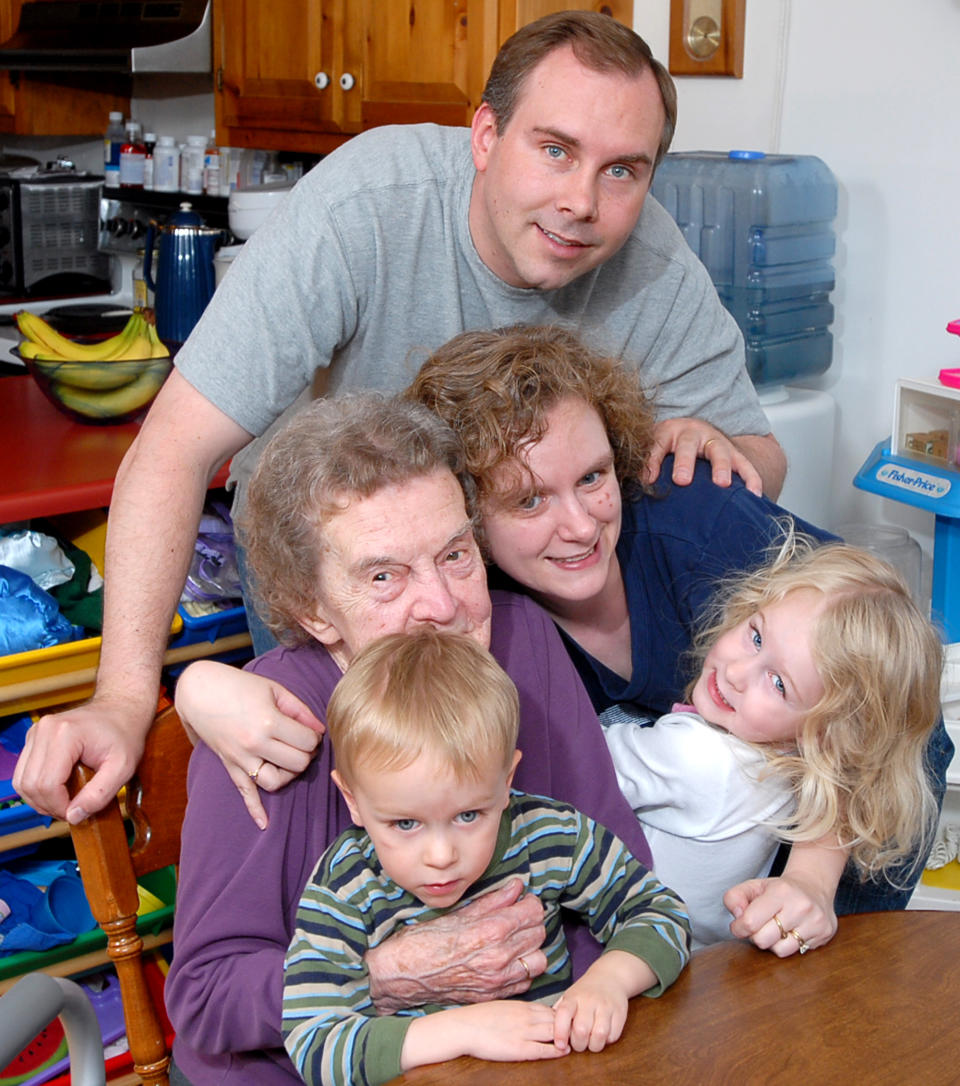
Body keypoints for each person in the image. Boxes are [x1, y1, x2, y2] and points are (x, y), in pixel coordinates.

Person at [14, 10, 786, 827]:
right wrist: (128, 699)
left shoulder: (652, 258)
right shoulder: (366, 206)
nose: (581, 202)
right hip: (341, 591)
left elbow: (761, 463)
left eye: (622, 170)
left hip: (499, 601)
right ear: (485, 136)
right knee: (345, 839)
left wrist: (715, 444)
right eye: (554, 149)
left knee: (513, 840)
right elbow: (172, 451)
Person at [183, 324, 951, 949]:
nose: (580, 525)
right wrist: (197, 683)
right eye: (528, 501)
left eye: (593, 477)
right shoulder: (480, 617)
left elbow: (888, 702)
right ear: (469, 518)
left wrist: (814, 886)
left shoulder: (698, 525)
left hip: (806, 871)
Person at [164, 394, 663, 1085]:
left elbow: (614, 876)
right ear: (313, 607)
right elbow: (207, 998)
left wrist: (579, 1016)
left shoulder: (523, 643)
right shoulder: (271, 723)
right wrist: (394, 974)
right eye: (383, 576)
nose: (441, 604)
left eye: (455, 555)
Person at [283, 630, 689, 1085]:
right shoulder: (344, 884)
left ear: (506, 779)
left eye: (468, 814)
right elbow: (313, 1043)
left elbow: (661, 911)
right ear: (353, 800)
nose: (440, 856)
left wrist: (610, 980)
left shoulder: (548, 834)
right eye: (405, 824)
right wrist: (461, 1031)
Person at [604, 529, 943, 949]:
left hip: (616, 957)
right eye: (757, 636)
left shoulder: (696, 755)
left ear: (825, 733)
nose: (736, 673)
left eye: (779, 684)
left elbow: (569, 758)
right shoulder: (791, 761)